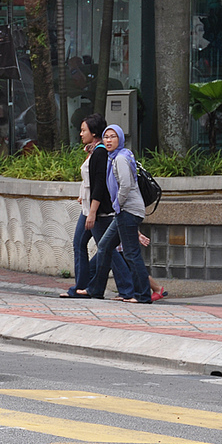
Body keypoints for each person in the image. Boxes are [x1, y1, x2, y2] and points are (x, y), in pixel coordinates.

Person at [62, 114, 130, 299]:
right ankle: (83, 287)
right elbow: (90, 182)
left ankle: (126, 288)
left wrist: (92, 212)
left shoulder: (99, 152)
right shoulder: (94, 151)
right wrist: (82, 197)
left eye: (84, 130)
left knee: (105, 248)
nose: (81, 134)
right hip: (89, 208)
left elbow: (99, 185)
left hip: (97, 211)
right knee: (84, 245)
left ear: (94, 133)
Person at [84, 124, 152, 303]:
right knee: (105, 246)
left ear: (120, 139)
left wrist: (117, 205)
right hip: (125, 210)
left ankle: (142, 295)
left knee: (131, 253)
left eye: (113, 137)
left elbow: (126, 185)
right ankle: (96, 290)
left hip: (127, 209)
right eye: (106, 137)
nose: (108, 140)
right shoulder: (116, 157)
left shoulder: (120, 158)